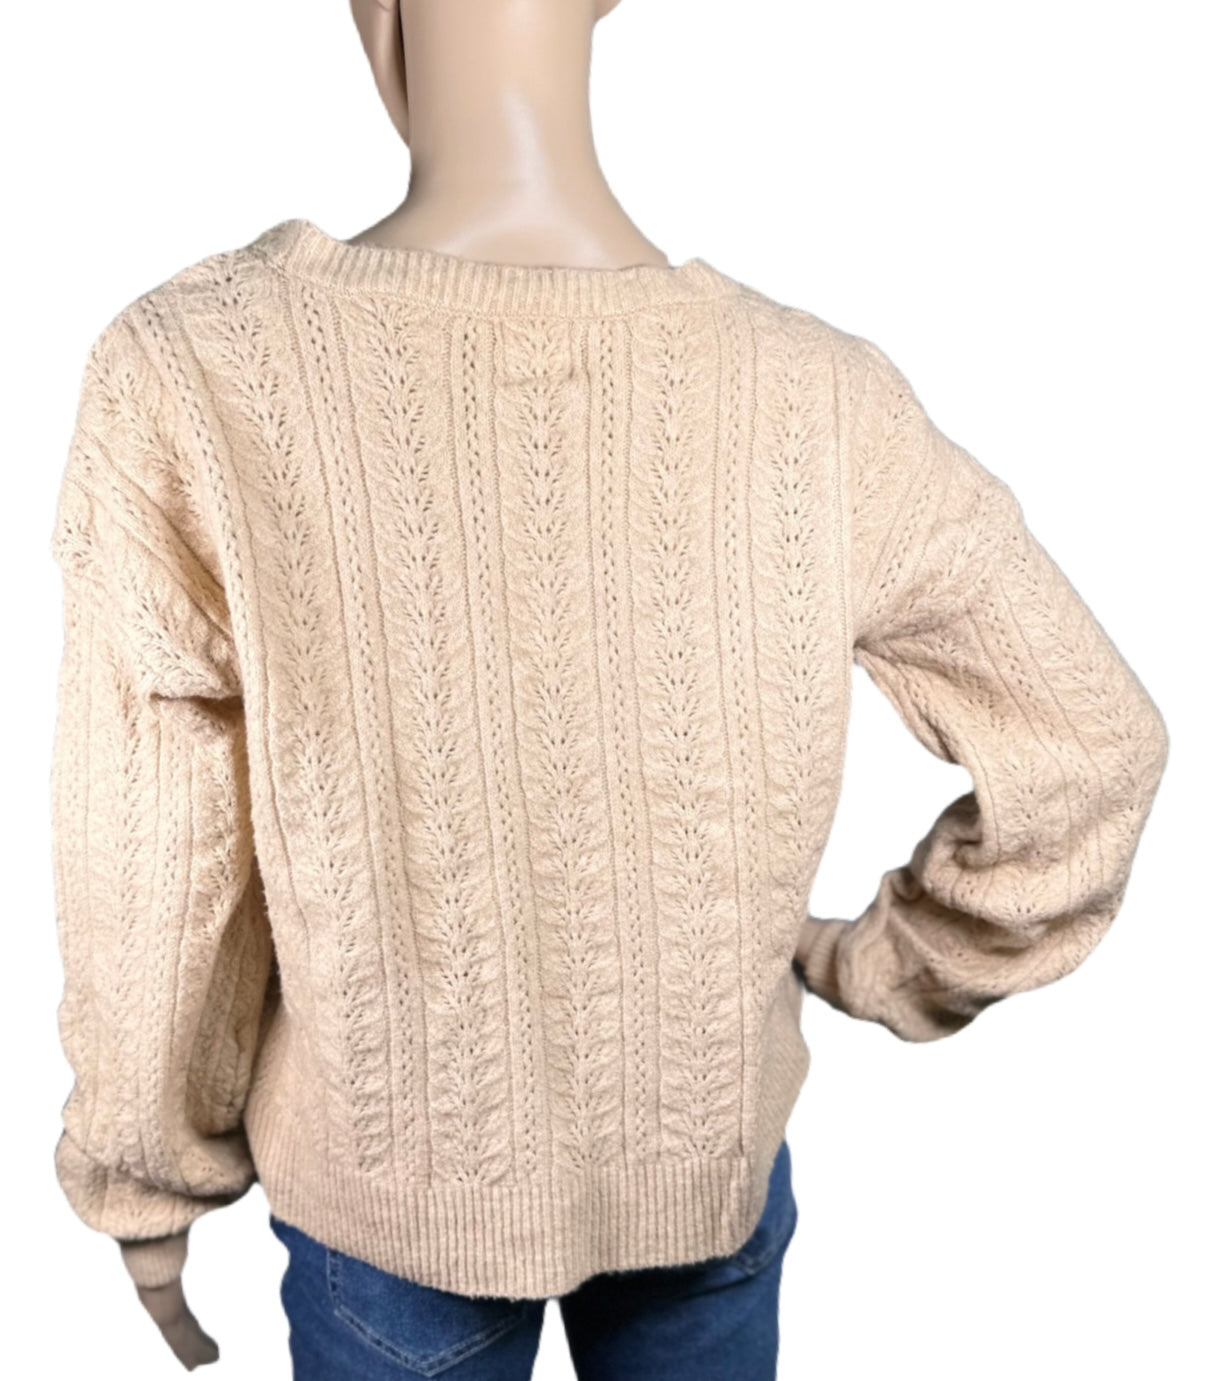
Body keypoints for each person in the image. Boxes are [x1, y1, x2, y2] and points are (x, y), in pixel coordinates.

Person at [46, 1, 1169, 1376]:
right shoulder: (818, 395)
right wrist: (883, 963)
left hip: (390, 1197)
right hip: (705, 1167)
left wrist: (146, 1175)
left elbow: (155, 850)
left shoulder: (197, 368)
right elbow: (1088, 744)